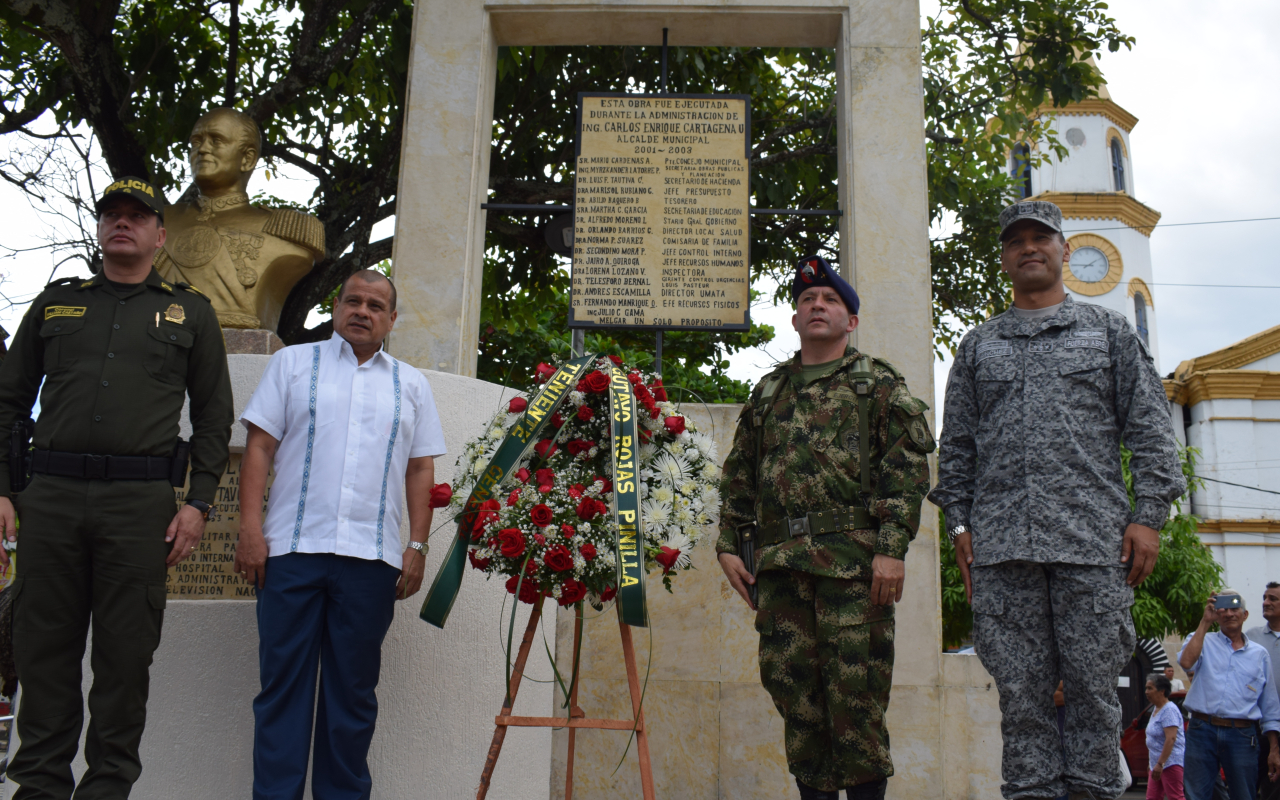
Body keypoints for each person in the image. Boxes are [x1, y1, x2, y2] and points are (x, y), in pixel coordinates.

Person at [928, 199, 1186, 800]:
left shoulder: (1109, 333)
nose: (1030, 248)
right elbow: (957, 447)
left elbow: (1150, 430)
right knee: (1020, 701)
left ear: (1064, 250)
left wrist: (1149, 519)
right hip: (1002, 552)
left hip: (1092, 549)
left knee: (1097, 699)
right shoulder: (977, 347)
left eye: (1041, 238)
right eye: (1016, 241)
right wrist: (960, 528)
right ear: (1004, 260)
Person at [0, 177, 234, 797]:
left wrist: (199, 503)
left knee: (124, 663)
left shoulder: (192, 314)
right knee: (44, 656)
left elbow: (214, 418)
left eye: (137, 216)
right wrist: (3, 488)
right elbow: (9, 401)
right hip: (48, 496)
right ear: (101, 228)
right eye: (113, 215)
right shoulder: (55, 305)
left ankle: (106, 788)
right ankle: (38, 788)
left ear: (161, 234)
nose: (122, 224)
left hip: (138, 506)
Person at [717, 255, 934, 800]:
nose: (818, 306)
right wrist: (729, 547)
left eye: (831, 300)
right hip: (782, 572)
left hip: (854, 571)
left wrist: (891, 549)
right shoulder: (767, 393)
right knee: (800, 711)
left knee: (855, 707)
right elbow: (739, 477)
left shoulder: (876, 384)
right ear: (794, 319)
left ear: (851, 321)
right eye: (808, 300)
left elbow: (906, 470)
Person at [235, 268, 446, 800]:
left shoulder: (411, 384)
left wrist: (417, 547)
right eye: (354, 301)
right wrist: (249, 530)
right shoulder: (291, 363)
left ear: (391, 319)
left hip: (371, 561)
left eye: (376, 306)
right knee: (282, 692)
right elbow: (258, 447)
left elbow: (420, 469)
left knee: (351, 698)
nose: (363, 311)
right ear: (336, 307)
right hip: (290, 554)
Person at [156, 107, 324, 331]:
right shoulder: (159, 220)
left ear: (247, 158)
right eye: (196, 141)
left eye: (216, 140)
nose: (203, 149)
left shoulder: (289, 231)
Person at [1179, 591, 1280, 800]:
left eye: (1235, 609)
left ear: (1245, 615)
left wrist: (1274, 749)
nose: (1229, 614)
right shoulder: (1202, 640)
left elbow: (1269, 706)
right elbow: (1186, 662)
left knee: (1244, 795)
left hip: (1242, 734)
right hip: (1202, 730)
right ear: (1216, 614)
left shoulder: (1259, 654)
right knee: (1195, 795)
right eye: (1222, 609)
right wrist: (1205, 621)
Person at [1246, 582, 1280, 799]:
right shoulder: (1251, 637)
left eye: (1273, 599)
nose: (1265, 602)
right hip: (1258, 729)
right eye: (1265, 597)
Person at [1144, 672, 1186, 800]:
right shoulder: (1156, 709)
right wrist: (1152, 763)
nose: (1146, 692)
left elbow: (1171, 739)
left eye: (1150, 688)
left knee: (1175, 797)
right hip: (1156, 764)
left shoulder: (1169, 710)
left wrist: (1160, 764)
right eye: (1146, 688)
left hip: (1169, 763)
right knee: (1153, 797)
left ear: (1162, 691)